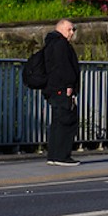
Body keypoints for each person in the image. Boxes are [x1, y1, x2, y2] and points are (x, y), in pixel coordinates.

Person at [43, 18, 82, 166]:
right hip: (62, 89)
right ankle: (62, 156)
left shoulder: (51, 44)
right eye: (69, 29)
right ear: (60, 29)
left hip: (53, 89)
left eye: (73, 29)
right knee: (67, 121)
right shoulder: (61, 45)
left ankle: (53, 156)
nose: (72, 32)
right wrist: (69, 85)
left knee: (57, 122)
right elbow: (64, 67)